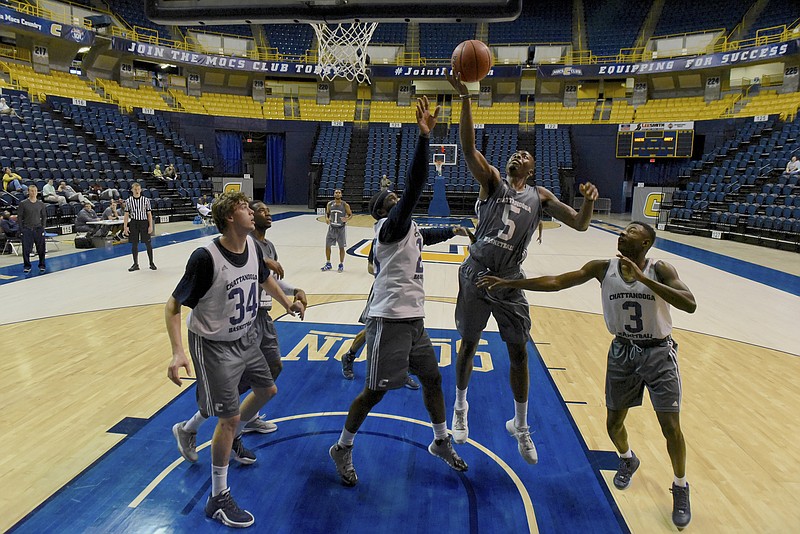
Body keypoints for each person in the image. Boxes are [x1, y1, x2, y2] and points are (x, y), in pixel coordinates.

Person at [476, 221, 696, 530]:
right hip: (622, 350)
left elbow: (690, 304)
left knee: (670, 426)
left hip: (658, 352)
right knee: (613, 423)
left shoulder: (662, 269)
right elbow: (557, 281)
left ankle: (681, 485)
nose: (623, 233)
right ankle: (627, 458)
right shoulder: (602, 267)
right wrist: (509, 283)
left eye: (632, 231)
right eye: (624, 229)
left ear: (646, 244)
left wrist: (647, 280)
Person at [445, 70, 599, 465]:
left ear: (532, 168)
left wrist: (588, 202)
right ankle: (460, 407)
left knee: (519, 351)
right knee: (470, 343)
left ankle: (521, 424)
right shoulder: (493, 181)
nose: (517, 155)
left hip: (510, 279)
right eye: (514, 154)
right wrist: (465, 98)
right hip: (478, 270)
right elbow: (467, 148)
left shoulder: (540, 195)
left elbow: (580, 225)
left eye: (524, 155)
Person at [329, 96, 468, 488]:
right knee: (374, 393)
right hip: (389, 320)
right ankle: (342, 447)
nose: (398, 200)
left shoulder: (408, 230)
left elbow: (427, 234)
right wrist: (424, 137)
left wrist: (453, 230)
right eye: (392, 201)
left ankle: (440, 440)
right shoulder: (388, 229)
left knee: (433, 379)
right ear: (383, 211)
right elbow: (414, 186)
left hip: (412, 320)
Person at [166, 191, 305, 528]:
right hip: (211, 344)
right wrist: (177, 352)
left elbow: (263, 278)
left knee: (267, 390)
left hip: (243, 336)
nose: (251, 210)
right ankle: (218, 497)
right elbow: (172, 306)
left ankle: (211, 432)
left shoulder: (253, 248)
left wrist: (287, 303)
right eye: (244, 207)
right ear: (229, 217)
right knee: (227, 419)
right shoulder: (205, 257)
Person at [123, 182, 156, 271]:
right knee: (134, 244)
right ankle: (135, 264)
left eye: (138, 189)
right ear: (132, 190)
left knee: (148, 243)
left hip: (144, 222)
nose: (137, 191)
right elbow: (126, 215)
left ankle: (151, 263)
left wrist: (150, 226)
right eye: (135, 189)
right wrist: (125, 227)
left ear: (140, 190)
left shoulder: (146, 200)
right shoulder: (128, 201)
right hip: (134, 222)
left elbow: (149, 214)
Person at [320, 189, 352, 273]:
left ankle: (341, 264)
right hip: (331, 228)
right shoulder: (330, 204)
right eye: (336, 193)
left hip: (341, 229)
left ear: (341, 195)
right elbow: (327, 213)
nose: (337, 194)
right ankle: (328, 263)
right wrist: (326, 218)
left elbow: (350, 214)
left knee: (341, 247)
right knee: (327, 246)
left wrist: (347, 219)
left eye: (339, 193)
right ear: (334, 194)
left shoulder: (345, 205)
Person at [17, 184, 47, 274]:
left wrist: (43, 227)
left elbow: (44, 216)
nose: (33, 193)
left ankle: (42, 265)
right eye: (31, 191)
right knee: (26, 250)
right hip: (27, 229)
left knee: (41, 249)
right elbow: (19, 217)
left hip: (38, 229)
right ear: (28, 192)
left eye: (35, 191)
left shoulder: (41, 204)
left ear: (37, 192)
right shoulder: (23, 203)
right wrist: (22, 229)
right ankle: (27, 266)